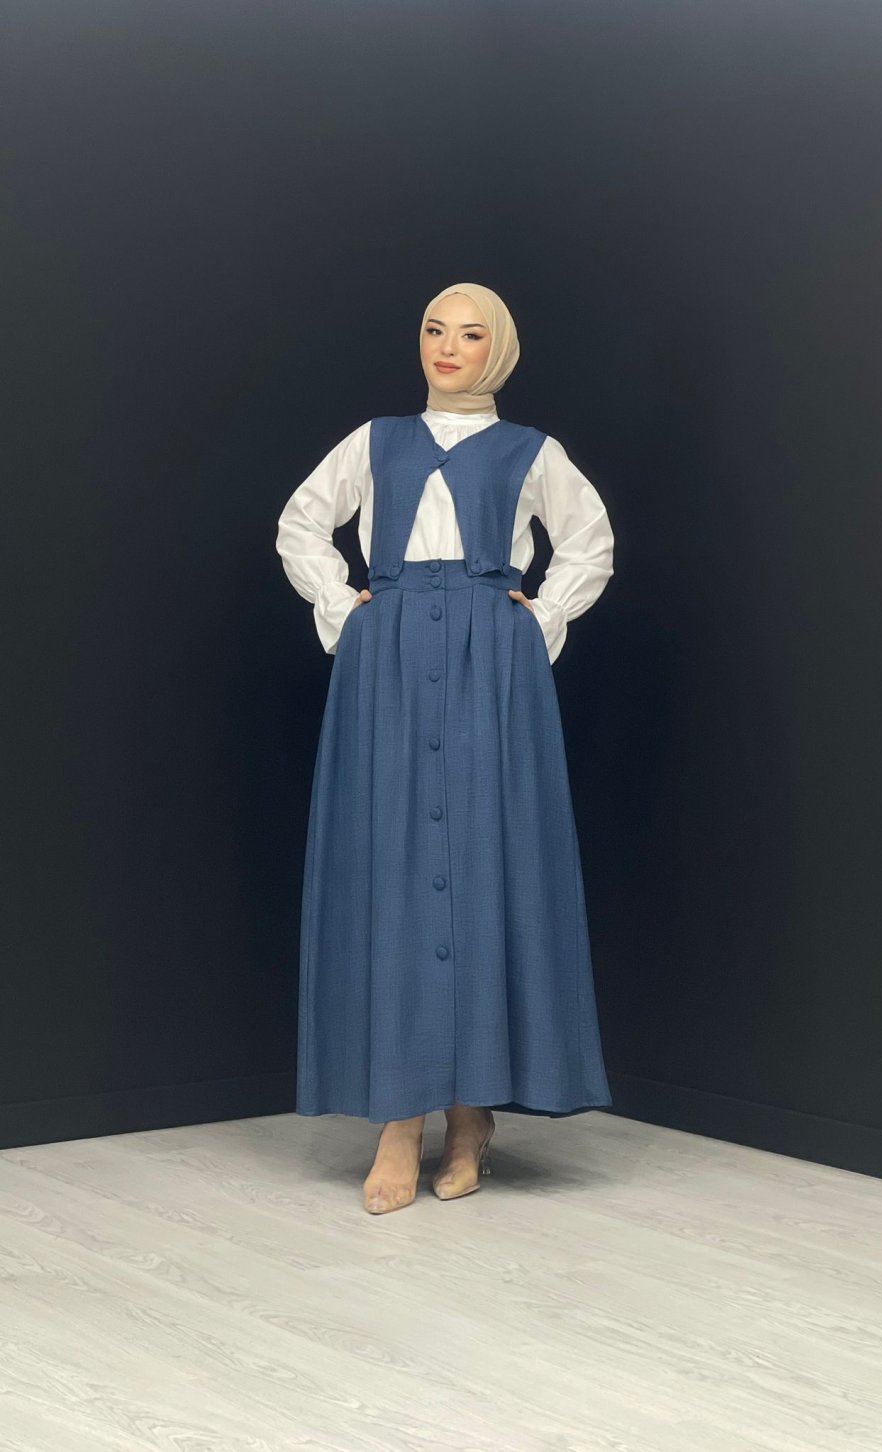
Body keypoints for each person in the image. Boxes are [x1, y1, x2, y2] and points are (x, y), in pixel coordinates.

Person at [275, 282, 615, 1214]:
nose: (448, 347)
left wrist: (537, 620)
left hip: (489, 661)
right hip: (386, 658)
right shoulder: (376, 440)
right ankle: (400, 1120)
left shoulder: (531, 451)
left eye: (470, 334)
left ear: (498, 349)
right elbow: (302, 522)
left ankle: (470, 1115)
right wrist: (343, 607)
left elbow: (588, 542)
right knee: (392, 867)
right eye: (434, 329)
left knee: (484, 862)